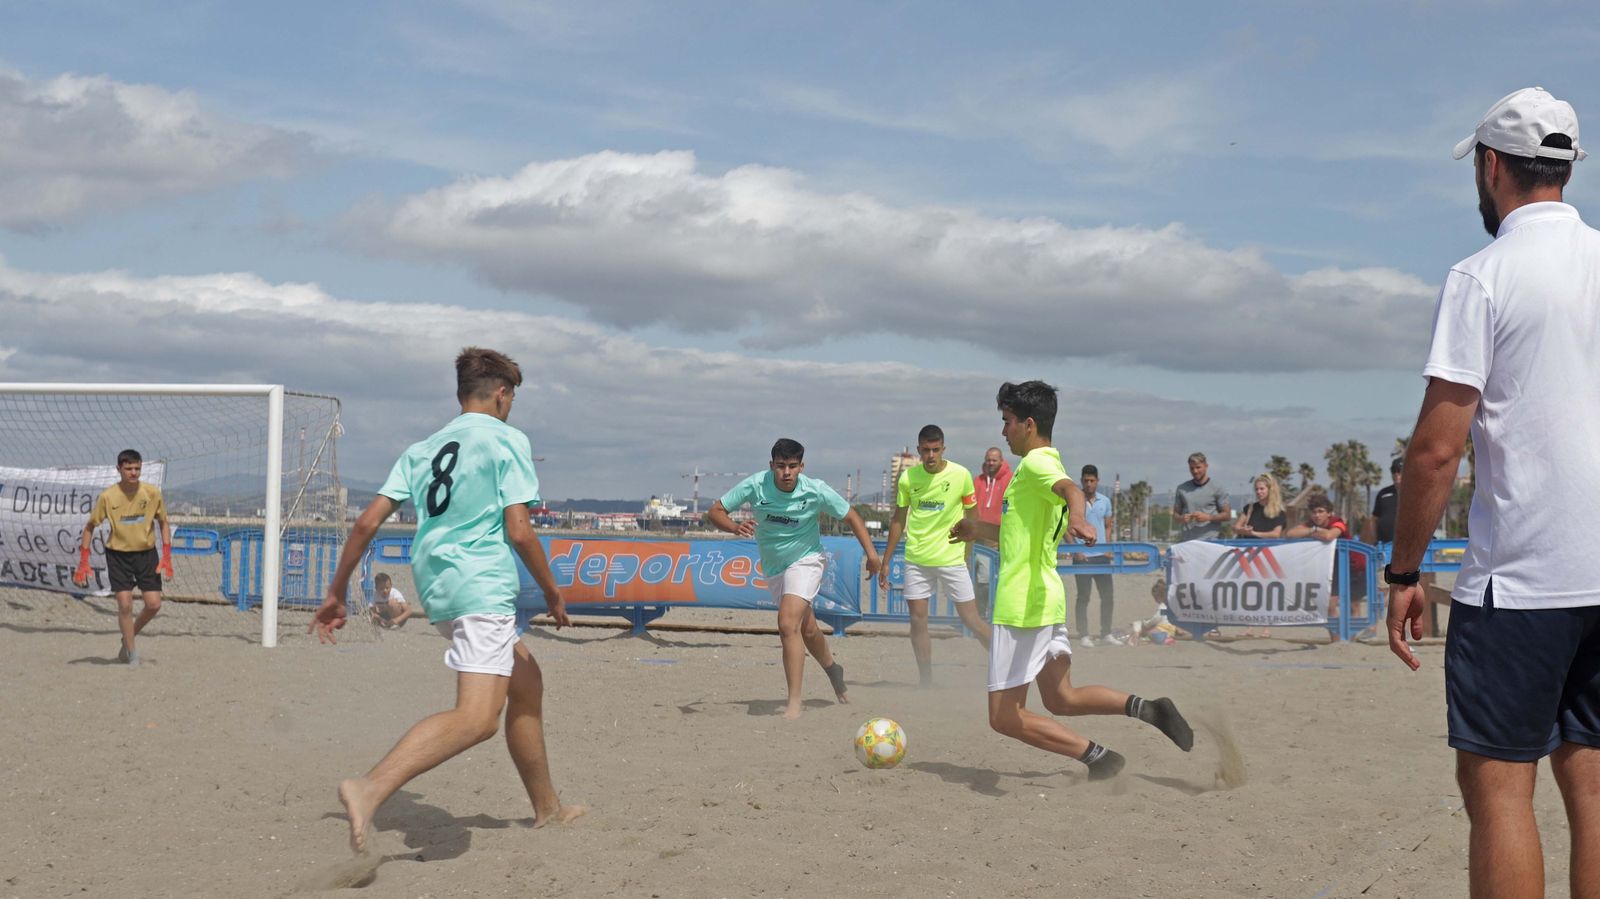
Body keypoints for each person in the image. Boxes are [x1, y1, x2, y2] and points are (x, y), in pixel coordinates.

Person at [1387, 87, 1600, 899]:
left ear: (1489, 166)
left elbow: (1437, 449)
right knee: (1594, 786)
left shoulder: (1483, 276)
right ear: (1567, 166)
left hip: (1521, 580)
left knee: (1500, 792)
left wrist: (1405, 572)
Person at [310, 347, 584, 855]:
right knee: (478, 719)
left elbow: (367, 522)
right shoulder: (506, 439)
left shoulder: (424, 448)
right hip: (480, 585)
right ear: (502, 394)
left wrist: (335, 592)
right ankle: (369, 788)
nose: (512, 406)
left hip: (438, 584)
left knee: (526, 683)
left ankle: (548, 809)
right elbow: (520, 531)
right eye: (513, 397)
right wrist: (552, 591)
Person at [950, 381, 1193, 780]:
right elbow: (1020, 531)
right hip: (1045, 598)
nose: (1003, 430)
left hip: (1023, 604)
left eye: (1007, 422)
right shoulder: (1044, 465)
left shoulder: (1037, 465)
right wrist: (977, 529)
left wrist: (1078, 517)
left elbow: (1071, 491)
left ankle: (1099, 758)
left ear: (1028, 424)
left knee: (1003, 717)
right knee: (1062, 697)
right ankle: (1150, 708)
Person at [709, 438, 882, 719]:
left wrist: (872, 555)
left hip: (807, 560)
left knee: (787, 623)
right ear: (771, 466)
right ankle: (834, 671)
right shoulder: (756, 484)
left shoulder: (815, 490)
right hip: (775, 567)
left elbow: (851, 516)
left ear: (801, 466)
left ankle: (794, 703)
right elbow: (715, 511)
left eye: (792, 466)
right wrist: (734, 526)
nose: (786, 473)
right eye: (780, 466)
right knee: (808, 630)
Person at [878, 424, 991, 687]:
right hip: (917, 560)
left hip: (951, 559)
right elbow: (898, 520)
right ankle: (926, 680)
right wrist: (886, 561)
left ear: (943, 449)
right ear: (918, 450)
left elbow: (973, 516)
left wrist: (968, 550)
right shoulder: (908, 479)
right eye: (926, 450)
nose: (930, 455)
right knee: (918, 622)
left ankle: (1006, 666)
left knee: (972, 620)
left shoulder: (961, 474)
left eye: (935, 450)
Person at [72, 449, 172, 666]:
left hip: (146, 554)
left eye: (137, 468)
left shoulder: (152, 493)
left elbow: (163, 522)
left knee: (154, 604)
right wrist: (83, 560)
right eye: (128, 468)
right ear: (119, 469)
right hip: (118, 555)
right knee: (125, 605)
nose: (133, 473)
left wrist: (167, 555)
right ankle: (132, 654)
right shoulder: (108, 496)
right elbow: (90, 527)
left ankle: (128, 637)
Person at [1070, 464, 1120, 647]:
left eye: (1092, 481)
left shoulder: (1105, 501)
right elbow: (1068, 528)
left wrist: (1107, 547)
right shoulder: (1075, 500)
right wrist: (1076, 550)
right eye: (1086, 481)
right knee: (1083, 596)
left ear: (1097, 481)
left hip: (1102, 555)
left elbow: (1108, 525)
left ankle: (1106, 632)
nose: (1089, 484)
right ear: (1081, 481)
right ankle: (1083, 634)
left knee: (1108, 596)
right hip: (1082, 556)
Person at [1234, 473, 1287, 638]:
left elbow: (1276, 534)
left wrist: (1255, 533)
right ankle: (1249, 627)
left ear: (1270, 490)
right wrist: (1243, 531)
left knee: (1266, 590)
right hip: (1247, 552)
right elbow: (1236, 527)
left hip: (1267, 554)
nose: (1259, 492)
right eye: (1257, 489)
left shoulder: (1278, 512)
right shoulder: (1250, 508)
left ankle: (1266, 627)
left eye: (1262, 489)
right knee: (1247, 590)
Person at [1173, 452, 1231, 542]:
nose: (1195, 471)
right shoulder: (1181, 489)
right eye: (1192, 468)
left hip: (1211, 541)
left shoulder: (1218, 488)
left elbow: (1227, 515)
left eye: (1198, 467)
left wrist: (1208, 517)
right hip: (1187, 541)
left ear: (1206, 466)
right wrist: (1182, 518)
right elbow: (1176, 515)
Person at [1361, 458, 1403, 545]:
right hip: (1384, 545)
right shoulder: (1383, 493)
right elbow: (1375, 518)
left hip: (1408, 545)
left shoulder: (1416, 493)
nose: (1396, 474)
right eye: (1393, 471)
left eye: (1400, 470)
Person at [972, 446, 1012, 533]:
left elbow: (1010, 506)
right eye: (988, 460)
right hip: (977, 532)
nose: (991, 463)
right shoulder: (978, 481)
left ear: (1001, 461)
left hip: (999, 532)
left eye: (994, 460)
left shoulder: (1010, 480)